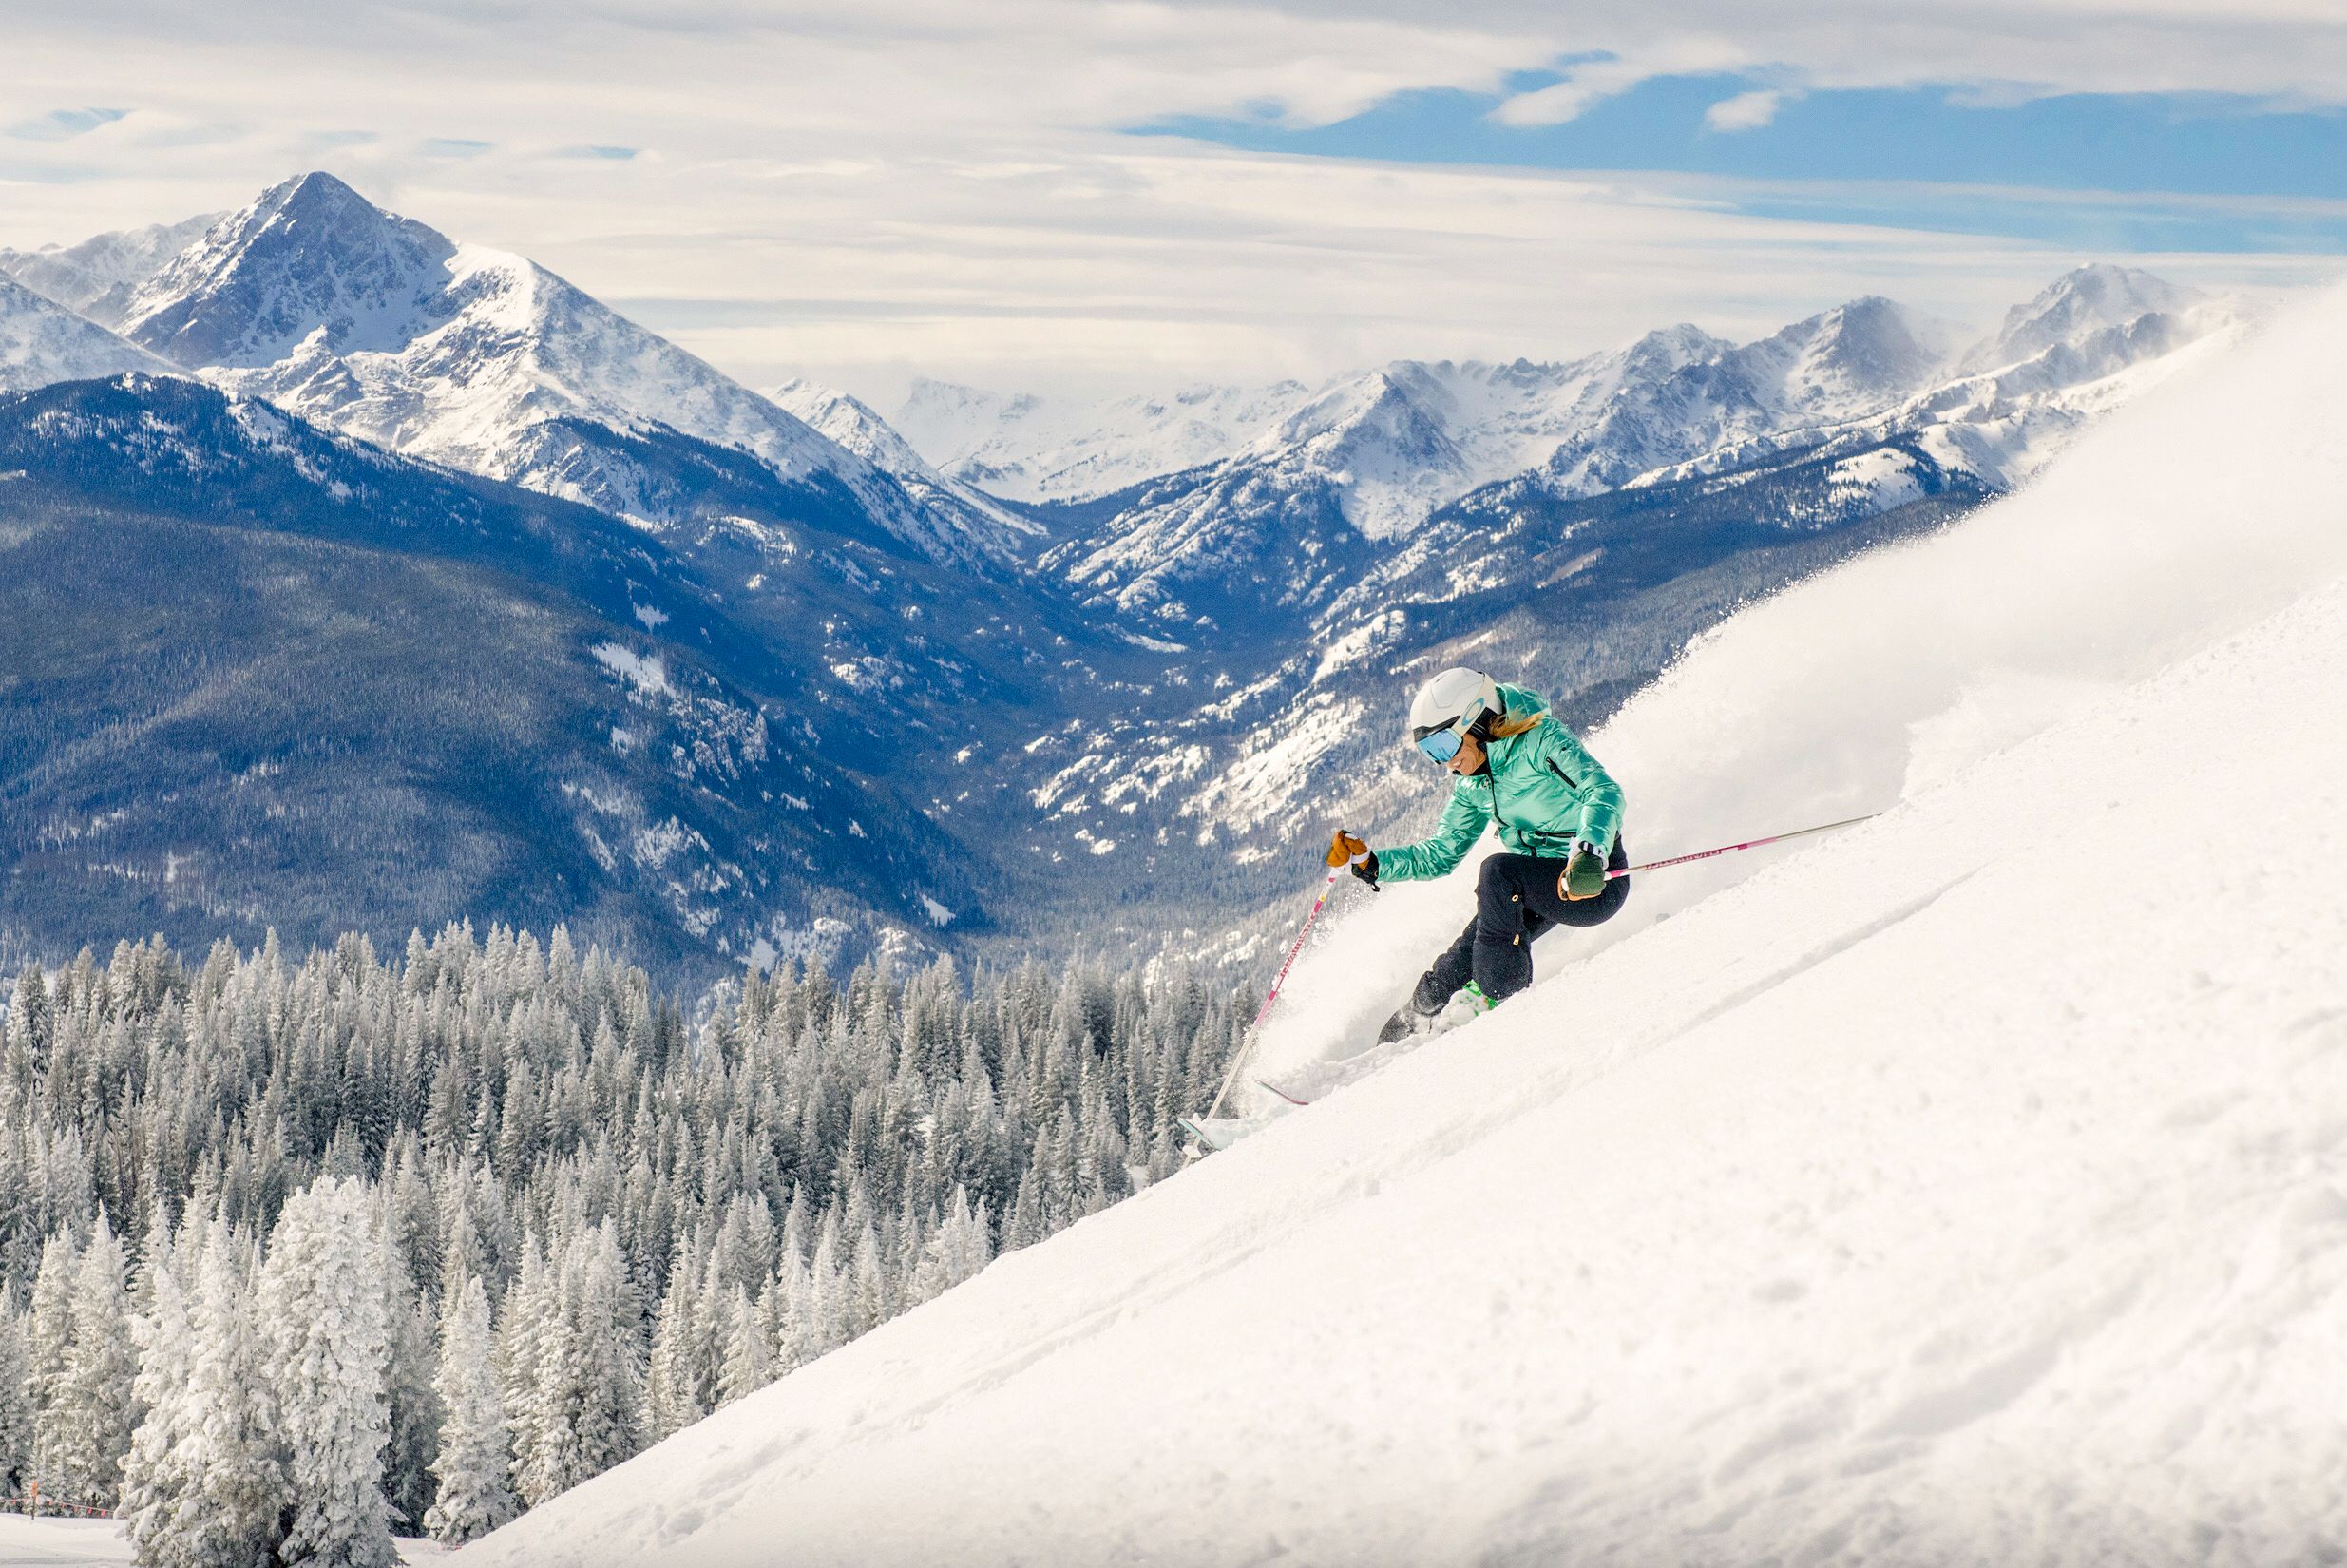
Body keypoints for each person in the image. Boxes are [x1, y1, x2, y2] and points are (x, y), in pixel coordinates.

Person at [1326, 667, 1630, 1041]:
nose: (1444, 763)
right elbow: (1441, 853)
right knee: (1452, 969)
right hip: (1530, 887)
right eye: (1430, 753)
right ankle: (1394, 1041)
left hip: (1591, 880)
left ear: (1478, 720)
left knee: (1498, 872)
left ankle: (1496, 1003)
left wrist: (1589, 853)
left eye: (1443, 747)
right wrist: (1372, 863)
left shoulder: (1541, 742)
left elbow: (1603, 792)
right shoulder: (1474, 785)